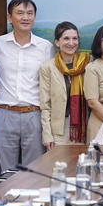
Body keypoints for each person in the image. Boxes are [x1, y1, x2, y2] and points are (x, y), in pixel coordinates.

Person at [0, 0, 54, 171]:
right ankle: (2, 199)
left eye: (30, 13)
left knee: (35, 170)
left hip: (34, 114)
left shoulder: (45, 47)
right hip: (5, 114)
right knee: (3, 171)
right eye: (20, 13)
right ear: (9, 18)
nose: (25, 17)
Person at [40, 22, 90, 150]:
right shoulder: (47, 68)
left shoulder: (88, 64)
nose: (71, 43)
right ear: (57, 42)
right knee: (60, 168)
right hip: (59, 130)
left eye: (75, 38)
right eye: (66, 38)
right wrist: (47, 135)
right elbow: (45, 105)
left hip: (84, 127)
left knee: (83, 168)